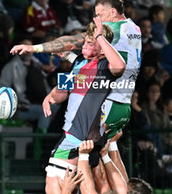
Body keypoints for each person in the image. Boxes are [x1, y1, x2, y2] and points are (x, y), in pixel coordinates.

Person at [11, 0, 142, 139]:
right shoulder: (133, 28)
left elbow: (73, 40)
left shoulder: (114, 29)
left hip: (107, 101)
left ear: (113, 12)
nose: (98, 19)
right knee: (104, 153)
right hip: (121, 100)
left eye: (100, 14)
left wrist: (35, 48)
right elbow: (79, 73)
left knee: (82, 151)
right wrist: (69, 57)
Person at [42, 17, 126, 194]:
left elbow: (120, 66)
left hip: (77, 136)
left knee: (54, 185)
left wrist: (101, 37)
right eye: (85, 41)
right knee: (101, 186)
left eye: (91, 42)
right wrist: (50, 96)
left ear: (102, 48)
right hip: (89, 137)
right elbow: (64, 90)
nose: (85, 45)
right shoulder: (79, 61)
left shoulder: (104, 66)